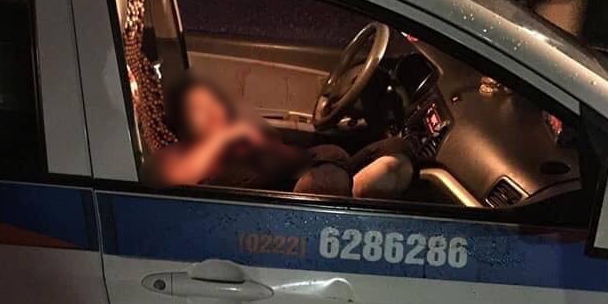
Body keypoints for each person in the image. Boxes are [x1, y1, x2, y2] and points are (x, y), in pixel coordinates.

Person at [142, 74, 414, 198]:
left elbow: (282, 153)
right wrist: (225, 137)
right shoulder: (178, 155)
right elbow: (171, 182)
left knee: (395, 147)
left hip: (301, 169)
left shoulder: (240, 132)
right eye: (199, 109)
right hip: (283, 194)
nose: (212, 110)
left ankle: (359, 189)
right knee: (328, 174)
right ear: (183, 123)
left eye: (212, 103)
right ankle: (348, 189)